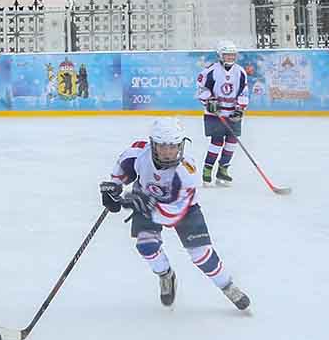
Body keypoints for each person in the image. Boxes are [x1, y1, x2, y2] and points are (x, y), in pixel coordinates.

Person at [100, 117, 251, 311]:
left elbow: (173, 215)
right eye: (162, 146)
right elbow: (121, 170)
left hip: (183, 209)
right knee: (146, 245)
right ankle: (166, 275)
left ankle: (227, 285)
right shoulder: (138, 154)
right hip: (145, 199)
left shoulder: (187, 171)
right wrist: (113, 188)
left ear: (181, 145)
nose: (168, 152)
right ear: (153, 144)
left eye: (173, 146)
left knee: (201, 254)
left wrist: (145, 204)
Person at [195, 47, 250, 185]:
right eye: (227, 55)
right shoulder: (211, 70)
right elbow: (201, 87)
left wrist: (240, 108)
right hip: (215, 113)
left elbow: (243, 91)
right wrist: (209, 100)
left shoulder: (240, 71)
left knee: (232, 142)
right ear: (220, 55)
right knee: (217, 141)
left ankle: (223, 170)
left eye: (233, 55)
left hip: (232, 113)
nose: (230, 57)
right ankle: (207, 169)